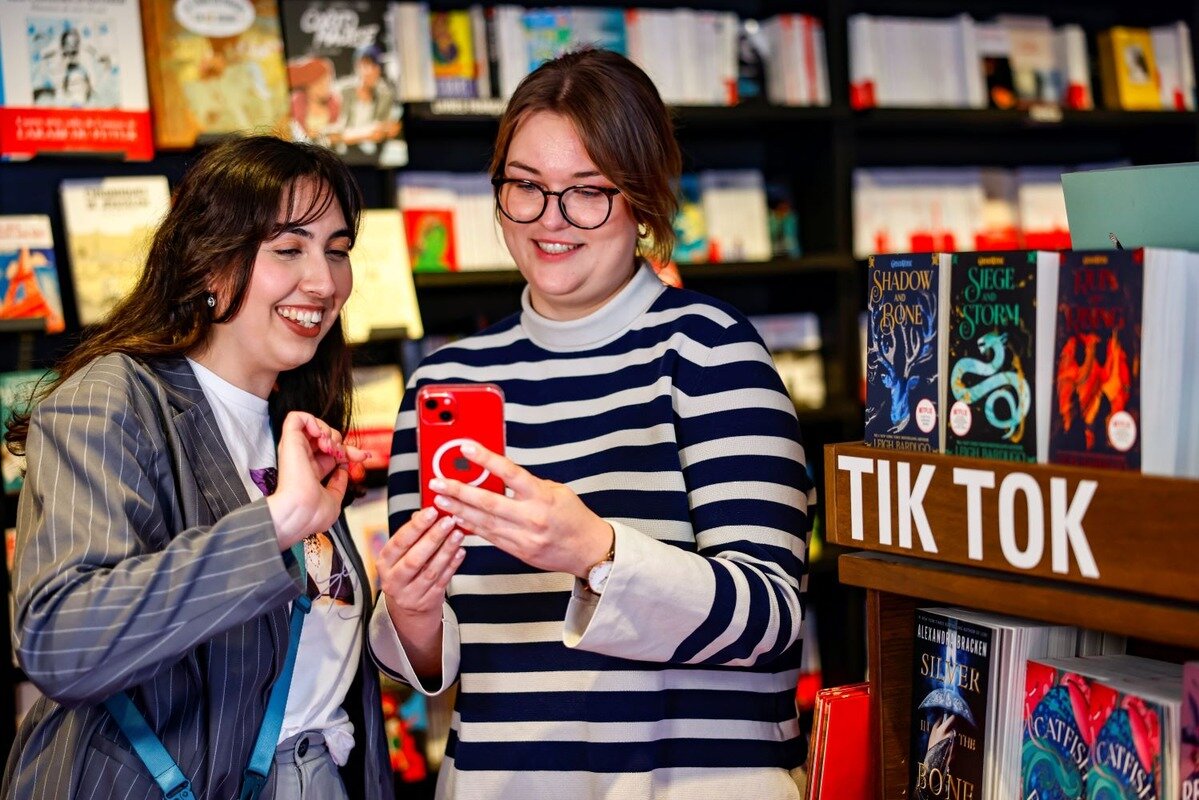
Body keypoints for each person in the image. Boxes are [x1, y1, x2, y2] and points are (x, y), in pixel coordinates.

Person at [368, 49, 815, 799]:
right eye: (525, 188)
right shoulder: (446, 383)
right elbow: (436, 663)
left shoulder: (709, 350)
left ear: (640, 198)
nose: (551, 220)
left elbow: (771, 615)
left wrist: (596, 551)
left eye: (586, 193)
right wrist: (409, 612)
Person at [2, 134, 394, 800]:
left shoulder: (292, 417)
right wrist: (275, 524)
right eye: (288, 249)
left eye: (337, 250)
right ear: (209, 266)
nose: (325, 282)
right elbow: (61, 642)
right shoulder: (115, 398)